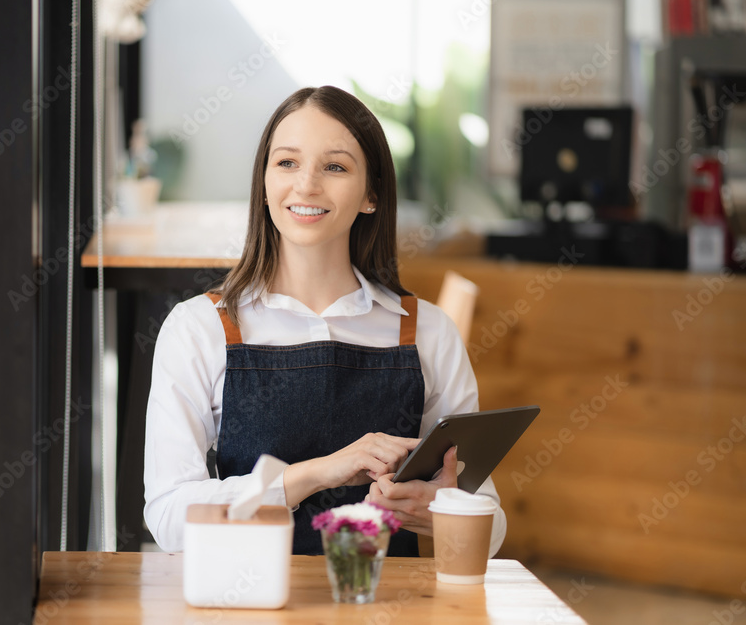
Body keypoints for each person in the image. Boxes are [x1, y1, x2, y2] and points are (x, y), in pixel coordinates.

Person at [143, 86, 506, 556]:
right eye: (287, 163)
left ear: (371, 195)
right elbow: (169, 518)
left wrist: (443, 513)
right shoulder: (201, 327)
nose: (307, 185)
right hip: (250, 607)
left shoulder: (427, 331)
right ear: (265, 183)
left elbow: (492, 525)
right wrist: (314, 474)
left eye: (334, 166)